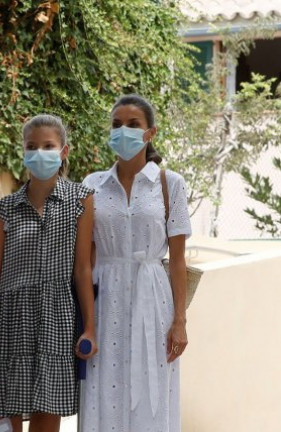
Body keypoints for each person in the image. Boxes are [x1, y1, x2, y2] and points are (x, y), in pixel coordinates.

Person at [0, 114, 98, 432]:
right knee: (3, 425)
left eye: (48, 146)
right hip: (8, 324)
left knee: (45, 420)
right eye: (32, 146)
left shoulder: (81, 201)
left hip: (56, 320)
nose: (39, 152)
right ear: (23, 152)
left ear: (64, 152)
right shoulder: (5, 210)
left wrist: (91, 328)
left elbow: (82, 270)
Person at [80, 94, 191, 431]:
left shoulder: (170, 184)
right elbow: (84, 260)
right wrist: (86, 321)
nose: (123, 131)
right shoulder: (91, 185)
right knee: (103, 389)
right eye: (116, 125)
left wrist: (180, 321)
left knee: (151, 390)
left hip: (154, 300)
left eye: (132, 125)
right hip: (105, 303)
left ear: (150, 133)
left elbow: (178, 260)